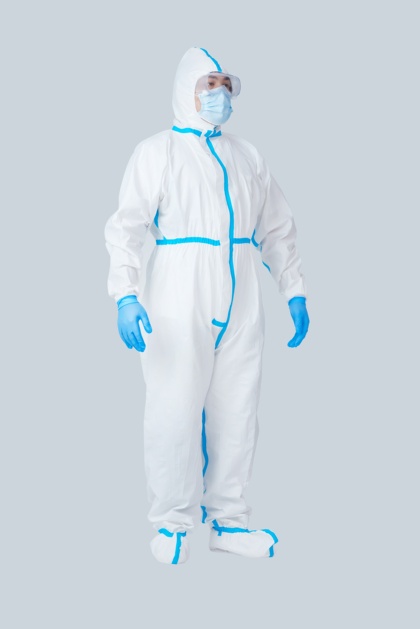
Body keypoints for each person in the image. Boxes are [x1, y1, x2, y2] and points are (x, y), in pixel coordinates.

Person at [104, 46, 309, 565]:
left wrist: (293, 288)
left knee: (238, 411)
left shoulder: (247, 156)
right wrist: (126, 295)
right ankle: (171, 524)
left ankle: (229, 523)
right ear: (186, 90)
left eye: (224, 85)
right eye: (207, 85)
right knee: (173, 407)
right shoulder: (158, 152)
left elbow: (277, 227)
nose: (219, 95)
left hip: (243, 297)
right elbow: (126, 228)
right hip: (178, 294)